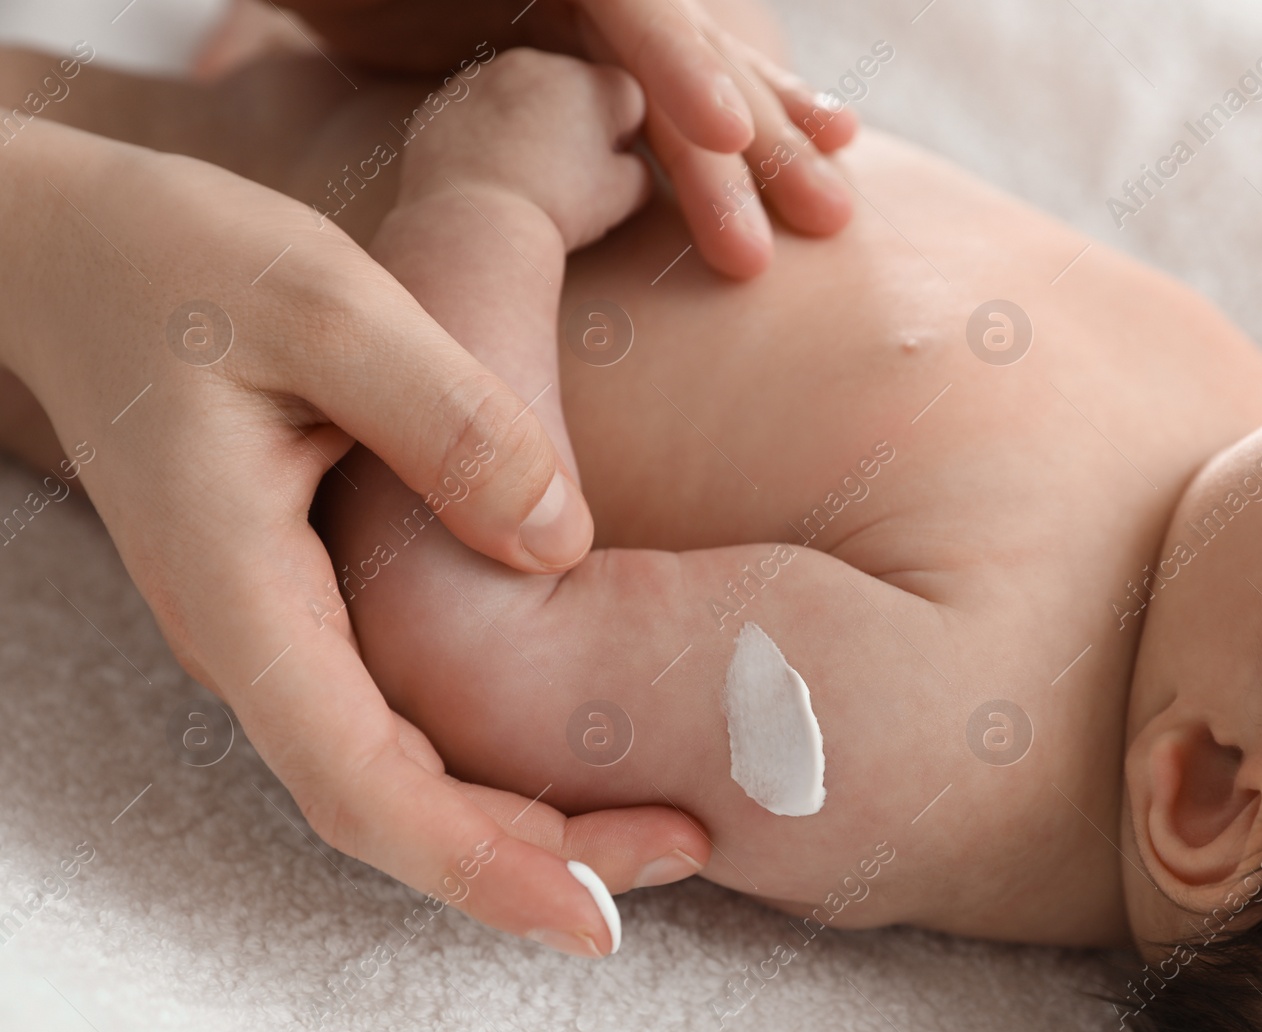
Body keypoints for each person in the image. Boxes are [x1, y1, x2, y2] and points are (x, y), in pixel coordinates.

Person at [269, 17, 1262, 1032]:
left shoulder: (960, 717)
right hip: (628, 94)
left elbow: (472, 644)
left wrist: (483, 207)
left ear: (1211, 795)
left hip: (283, 265)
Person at [0, 0, 856, 957]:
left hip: (123, 338)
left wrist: (487, 210)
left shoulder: (1003, 713)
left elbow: (483, 652)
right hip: (417, 73)